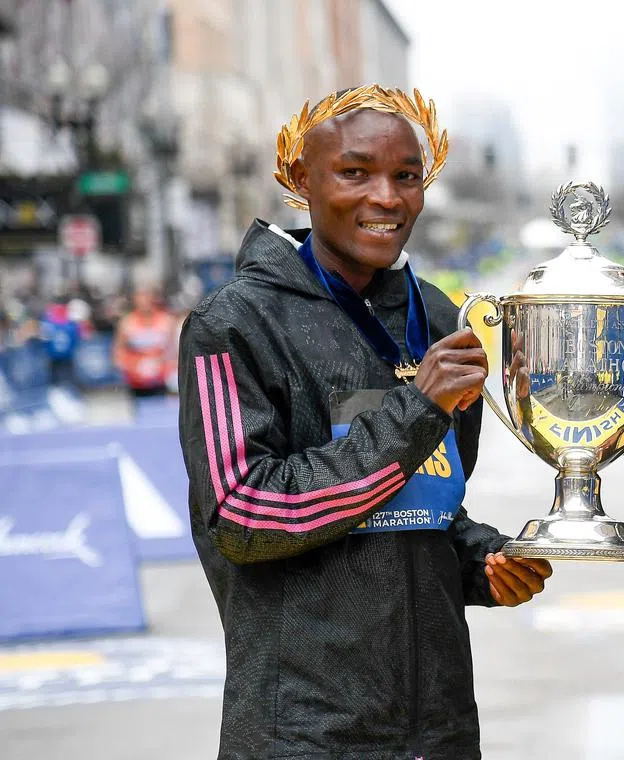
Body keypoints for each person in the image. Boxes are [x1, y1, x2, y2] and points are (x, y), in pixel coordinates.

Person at [177, 85, 552, 759]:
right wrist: (416, 411)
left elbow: (427, 508)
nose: (387, 198)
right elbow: (242, 516)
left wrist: (482, 560)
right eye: (355, 172)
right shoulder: (232, 324)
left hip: (439, 731)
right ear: (301, 180)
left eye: (407, 176)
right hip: (301, 736)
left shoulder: (437, 318)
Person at [113, 282, 175, 400]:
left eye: (147, 296)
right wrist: (134, 367)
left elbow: (173, 352)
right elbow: (118, 353)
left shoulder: (166, 321)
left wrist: (161, 366)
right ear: (134, 299)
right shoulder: (127, 323)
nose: (144, 301)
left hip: (160, 380)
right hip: (136, 382)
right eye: (140, 296)